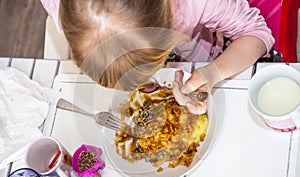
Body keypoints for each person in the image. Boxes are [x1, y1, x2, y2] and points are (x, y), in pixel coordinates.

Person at [40, 0, 274, 114]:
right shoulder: (61, 9)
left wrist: (213, 72)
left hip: (217, 56)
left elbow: (258, 35)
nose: (148, 86)